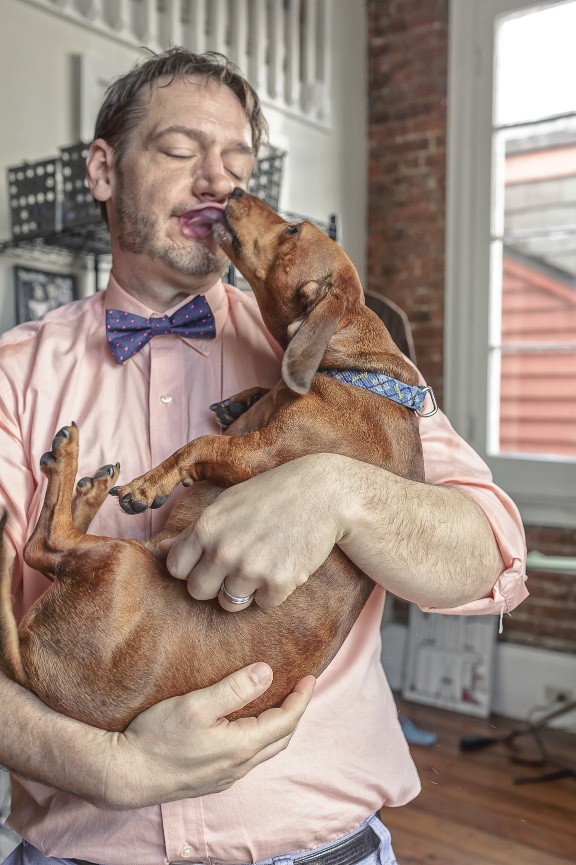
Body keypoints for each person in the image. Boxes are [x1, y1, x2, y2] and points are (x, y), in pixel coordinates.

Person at [0, 48, 528, 865]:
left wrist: (339, 491)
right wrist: (114, 765)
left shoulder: (348, 358)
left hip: (329, 851)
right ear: (103, 170)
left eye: (239, 161)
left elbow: (489, 551)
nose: (217, 181)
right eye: (180, 151)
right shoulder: (11, 375)